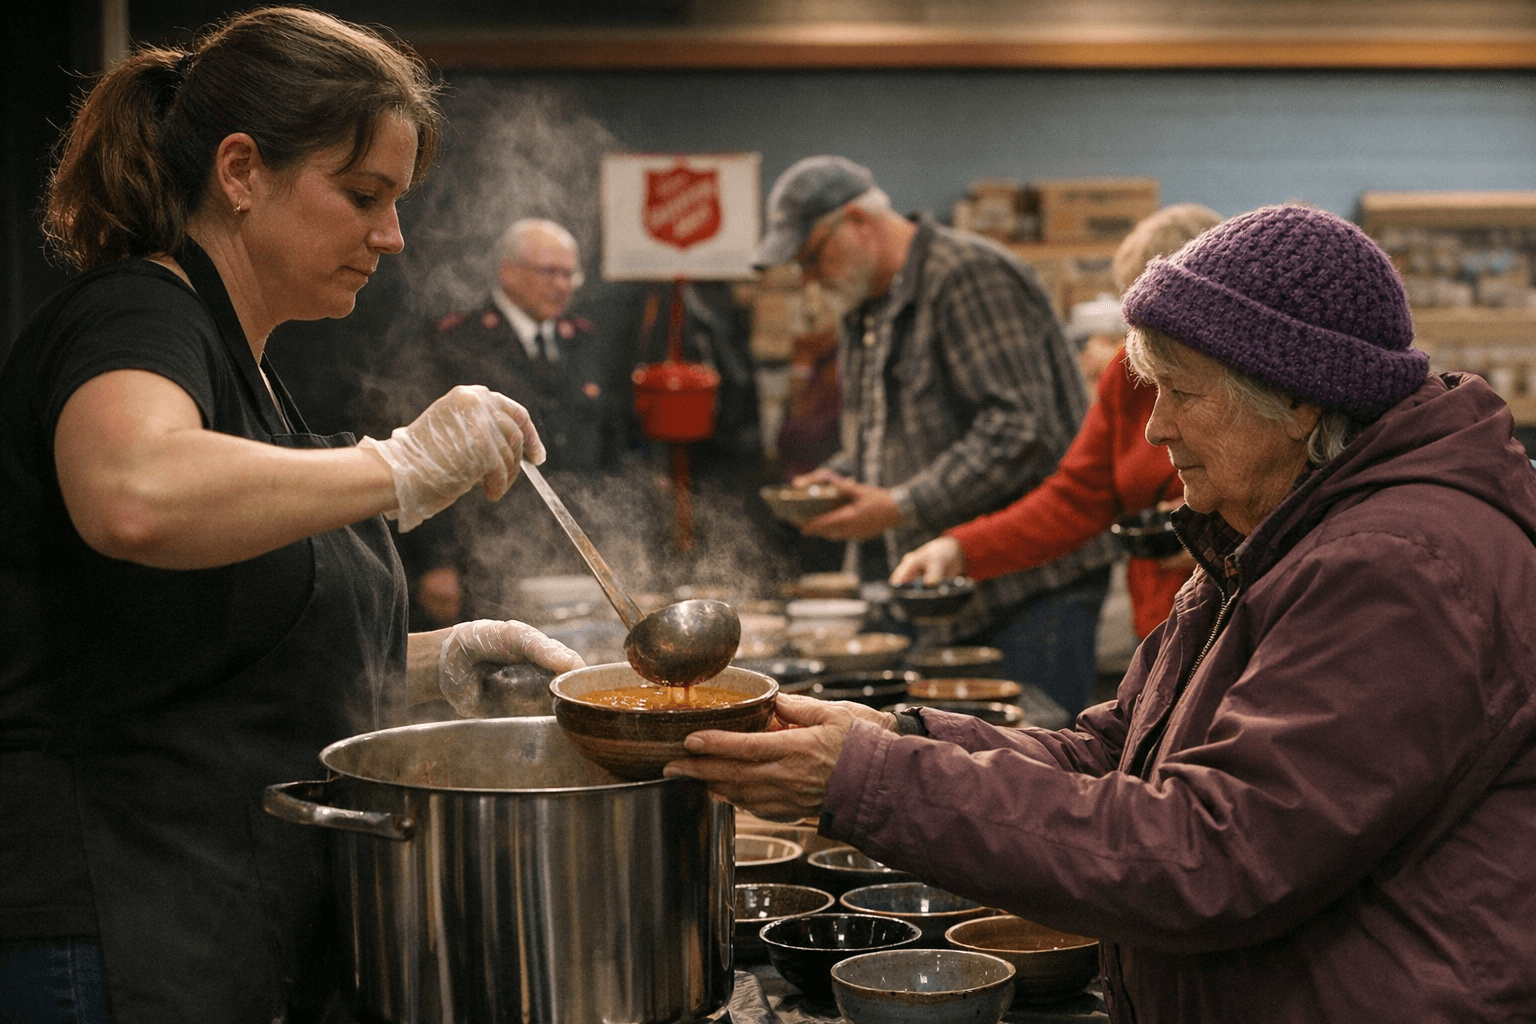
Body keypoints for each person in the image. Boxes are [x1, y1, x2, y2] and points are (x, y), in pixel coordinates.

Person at [669, 204, 1536, 1022]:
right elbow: (1115, 756)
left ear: (1299, 397)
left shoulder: (1396, 568)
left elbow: (1211, 856)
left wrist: (865, 782)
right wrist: (892, 739)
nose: (1155, 430)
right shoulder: (1277, 533)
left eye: (1181, 392)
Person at [0, 10, 584, 1022]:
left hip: (211, 910)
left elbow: (211, 645)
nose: (391, 236)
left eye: (396, 202)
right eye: (362, 195)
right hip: (110, 919)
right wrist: (396, 464)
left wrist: (437, 663)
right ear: (240, 171)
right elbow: (134, 493)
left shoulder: (252, 372)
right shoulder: (137, 312)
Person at [757, 155, 1117, 713]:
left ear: (857, 221)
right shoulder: (864, 308)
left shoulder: (968, 276)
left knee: (1028, 753)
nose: (808, 277)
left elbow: (1021, 428)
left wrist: (899, 505)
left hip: (1030, 591)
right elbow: (890, 437)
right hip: (948, 594)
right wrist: (842, 481)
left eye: (811, 257)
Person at [892, 203, 1222, 642]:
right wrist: (959, 549)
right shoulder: (1128, 372)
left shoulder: (1238, 378)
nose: (1144, 335)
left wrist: (1225, 527)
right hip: (1162, 627)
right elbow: (1075, 499)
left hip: (1236, 614)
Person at [394, 217, 637, 626]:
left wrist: (622, 543)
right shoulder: (455, 343)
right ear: (509, 272)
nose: (562, 285)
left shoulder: (586, 342)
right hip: (485, 556)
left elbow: (613, 451)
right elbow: (422, 457)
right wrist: (436, 561)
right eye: (550, 272)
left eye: (570, 274)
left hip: (575, 556)